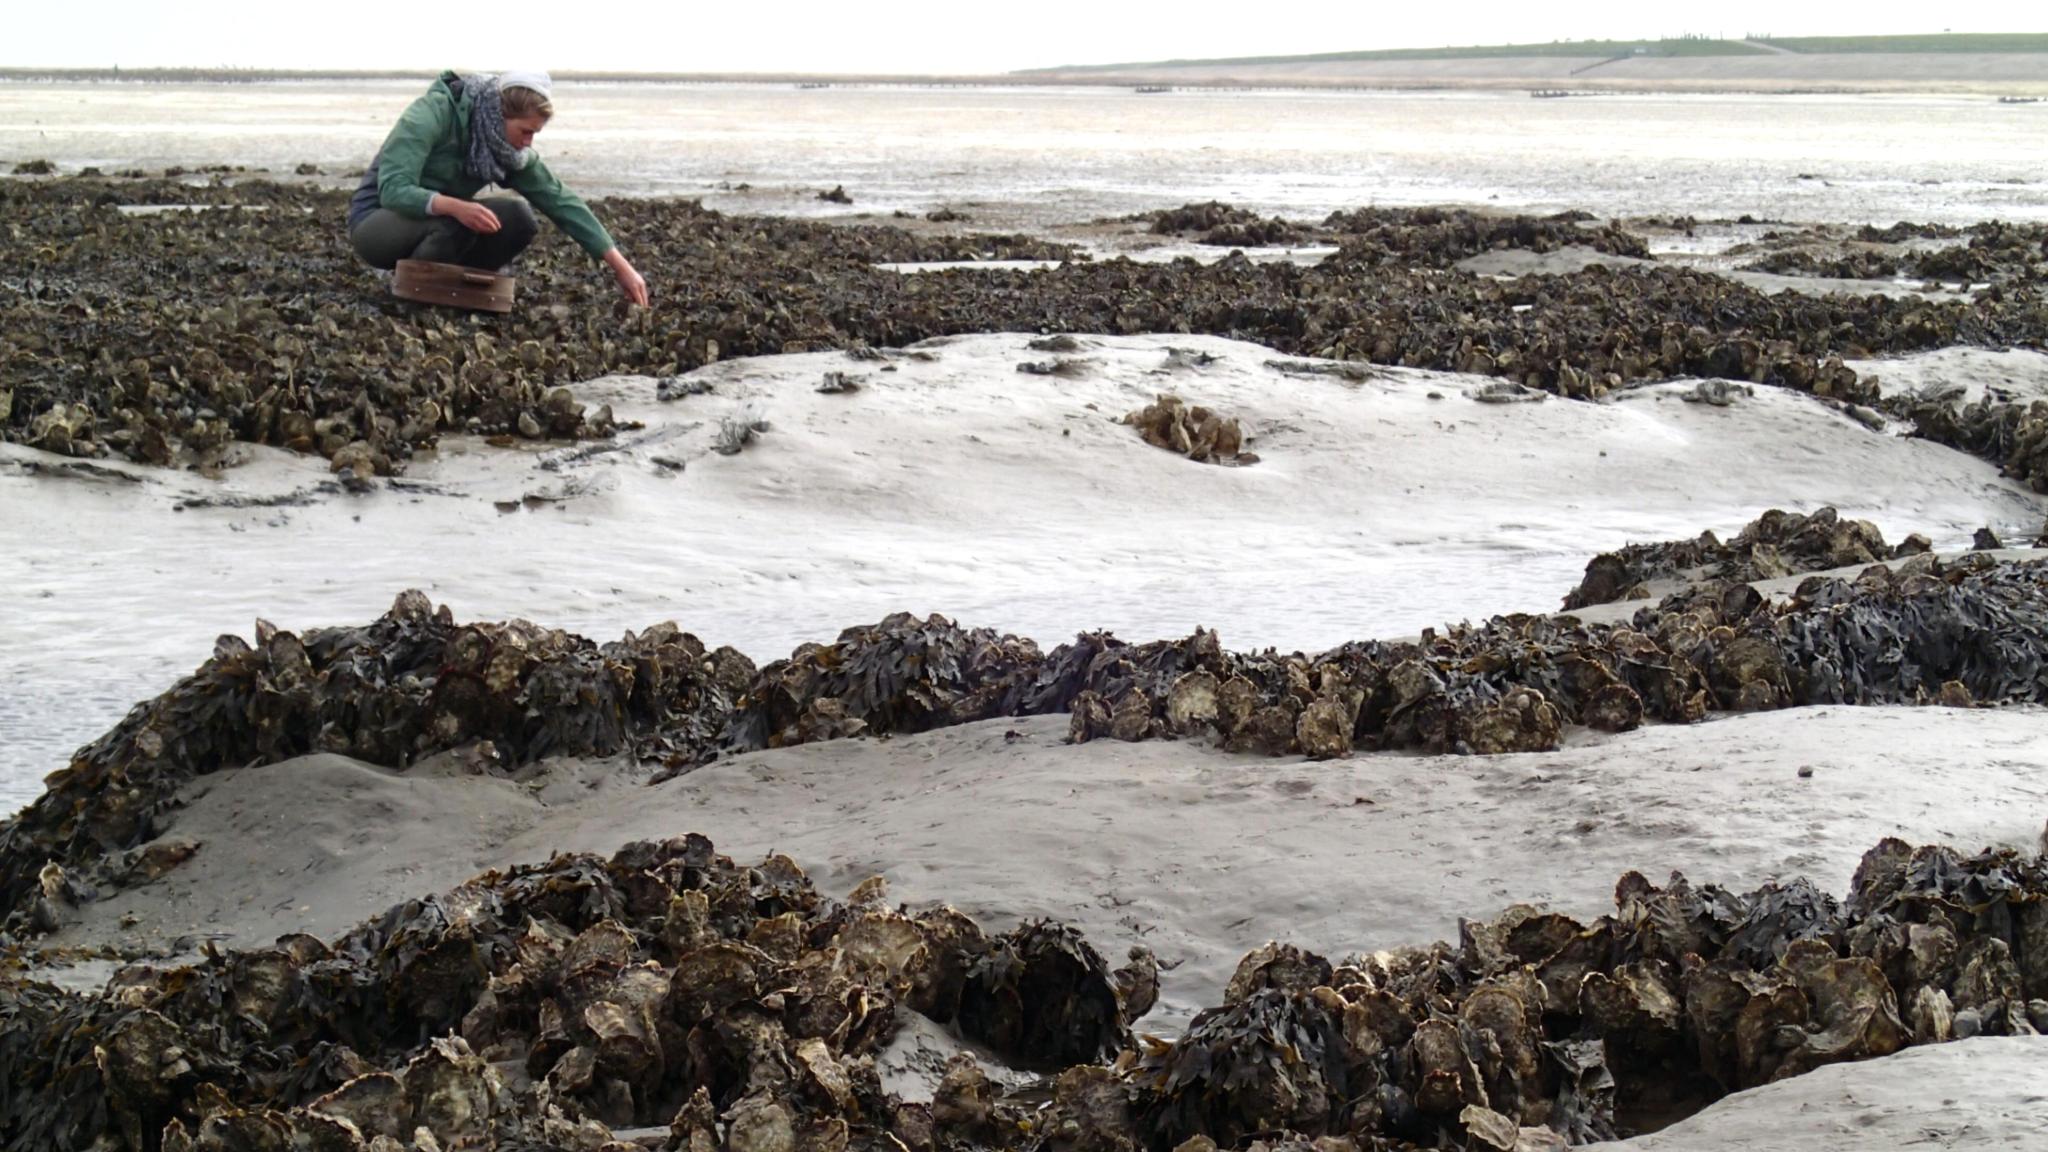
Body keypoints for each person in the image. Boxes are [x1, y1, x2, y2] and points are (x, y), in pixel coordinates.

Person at [347, 69, 648, 306]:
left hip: (439, 222)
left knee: (518, 217)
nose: (528, 142)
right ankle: (415, 292)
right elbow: (394, 189)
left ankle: (457, 288)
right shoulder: (433, 113)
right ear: (500, 114)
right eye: (525, 131)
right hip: (376, 223)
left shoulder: (508, 151)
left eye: (535, 134)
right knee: (454, 221)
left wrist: (621, 266)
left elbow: (561, 202)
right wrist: (455, 206)